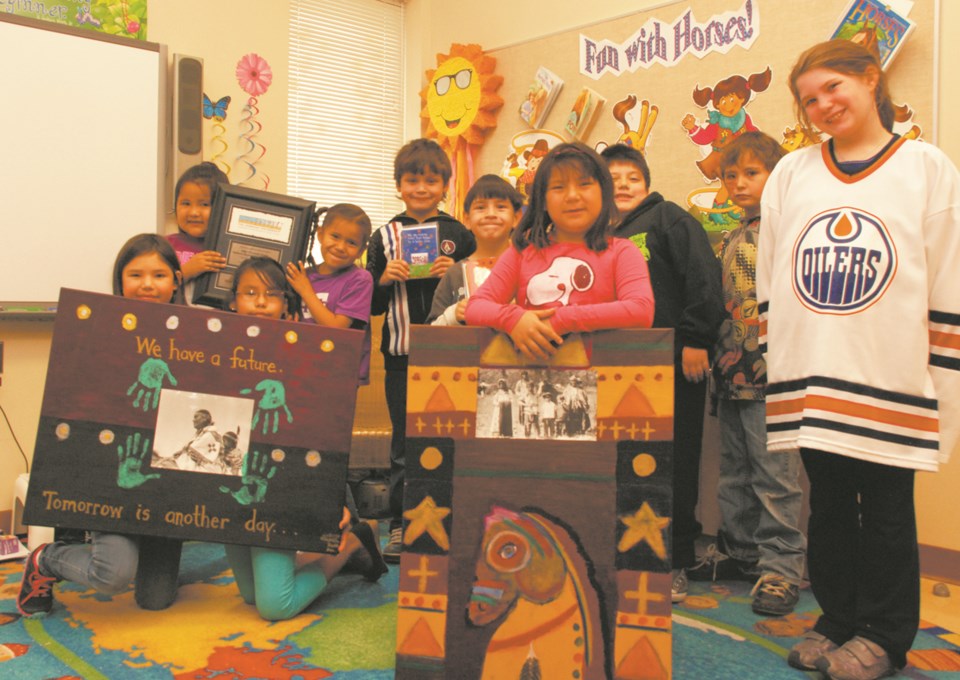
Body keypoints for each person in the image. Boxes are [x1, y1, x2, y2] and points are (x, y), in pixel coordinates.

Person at [758, 40, 960, 680]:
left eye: (832, 89)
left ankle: (885, 633)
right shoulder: (791, 172)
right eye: (809, 99)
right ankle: (838, 618)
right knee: (831, 508)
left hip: (890, 374)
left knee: (888, 510)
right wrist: (778, 357)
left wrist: (940, 377)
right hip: (813, 374)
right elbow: (772, 277)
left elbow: (947, 276)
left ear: (870, 79)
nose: (822, 106)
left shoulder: (926, 166)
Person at [18, 234, 185, 617]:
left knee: (156, 599)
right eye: (136, 274)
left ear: (177, 280)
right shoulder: (97, 329)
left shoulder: (202, 336)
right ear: (119, 280)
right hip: (113, 477)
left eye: (159, 275)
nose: (147, 284)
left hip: (168, 485)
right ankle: (47, 558)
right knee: (112, 576)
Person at [224, 257, 387, 621]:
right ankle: (304, 555)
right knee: (251, 596)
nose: (261, 302)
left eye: (272, 294)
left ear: (287, 306)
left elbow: (322, 434)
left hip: (279, 492)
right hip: (231, 491)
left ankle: (348, 547)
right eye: (249, 293)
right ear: (232, 302)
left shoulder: (305, 356)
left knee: (274, 606)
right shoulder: (216, 352)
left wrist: (328, 500)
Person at [600, 143, 724, 603]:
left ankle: (675, 561)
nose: (623, 185)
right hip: (616, 366)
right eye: (612, 178)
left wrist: (696, 339)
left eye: (632, 177)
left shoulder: (668, 219)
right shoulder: (595, 236)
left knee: (676, 461)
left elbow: (703, 278)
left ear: (647, 183)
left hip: (673, 361)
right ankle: (631, 552)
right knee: (625, 462)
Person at [692, 131, 806, 617]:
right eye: (730, 175)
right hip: (731, 370)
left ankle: (781, 569)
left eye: (751, 174)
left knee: (775, 475)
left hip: (774, 375)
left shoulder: (789, 230)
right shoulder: (734, 232)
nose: (738, 183)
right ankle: (741, 555)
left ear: (776, 174)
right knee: (734, 473)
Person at [366, 138, 475, 562]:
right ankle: (400, 524)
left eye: (431, 180)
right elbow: (371, 305)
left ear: (445, 185)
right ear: (398, 185)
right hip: (401, 353)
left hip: (452, 355)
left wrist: (458, 274)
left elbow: (479, 295)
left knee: (453, 439)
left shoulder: (459, 234)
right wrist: (384, 280)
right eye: (413, 180)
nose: (422, 188)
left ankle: (453, 517)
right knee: (403, 444)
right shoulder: (383, 236)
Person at [465, 142, 654, 356]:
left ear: (603, 192)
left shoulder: (623, 252)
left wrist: (562, 319)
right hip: (529, 379)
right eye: (558, 187)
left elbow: (641, 310)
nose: (572, 195)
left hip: (604, 380)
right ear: (543, 200)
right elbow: (476, 306)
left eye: (584, 184)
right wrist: (513, 319)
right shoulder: (522, 252)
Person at [286, 203, 375, 386]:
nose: (340, 247)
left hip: (339, 375)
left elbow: (336, 329)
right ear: (320, 234)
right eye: (335, 236)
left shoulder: (360, 279)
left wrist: (305, 291)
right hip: (301, 368)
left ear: (361, 250)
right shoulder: (303, 275)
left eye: (351, 242)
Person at [427, 174, 523, 326]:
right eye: (480, 207)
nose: (491, 214)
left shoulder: (529, 267)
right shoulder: (455, 274)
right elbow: (430, 333)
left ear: (516, 218)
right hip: (467, 349)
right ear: (467, 220)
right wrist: (454, 314)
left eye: (501, 207)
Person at [166, 162, 230, 302]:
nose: (194, 212)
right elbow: (155, 287)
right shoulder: (166, 246)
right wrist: (187, 271)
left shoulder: (227, 251)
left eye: (204, 204)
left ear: (223, 206)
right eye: (186, 203)